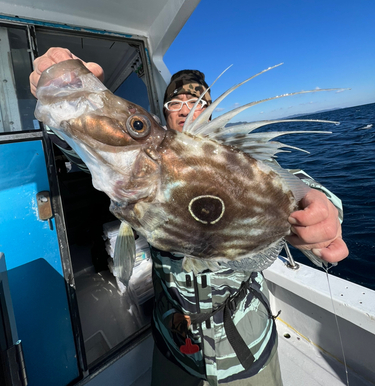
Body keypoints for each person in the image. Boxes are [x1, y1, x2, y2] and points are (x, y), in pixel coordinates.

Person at [30, 48, 348, 386]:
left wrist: (321, 207)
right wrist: (61, 111)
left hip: (246, 346)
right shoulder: (143, 153)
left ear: (210, 111)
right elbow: (84, 151)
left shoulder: (236, 161)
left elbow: (295, 186)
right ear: (163, 113)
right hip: (174, 346)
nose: (187, 109)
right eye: (176, 103)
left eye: (198, 103)